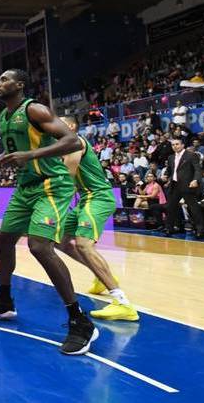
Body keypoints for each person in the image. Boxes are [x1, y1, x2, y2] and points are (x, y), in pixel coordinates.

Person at [0, 69, 98, 356]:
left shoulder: (35, 109)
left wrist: (32, 156)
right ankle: (4, 301)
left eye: (4, 79)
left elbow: (73, 141)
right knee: (4, 240)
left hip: (53, 184)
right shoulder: (4, 116)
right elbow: (14, 153)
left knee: (39, 246)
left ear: (20, 84)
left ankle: (79, 320)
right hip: (26, 186)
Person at [57, 117, 138, 321]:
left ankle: (122, 303)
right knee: (61, 241)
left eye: (59, 122)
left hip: (98, 197)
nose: (53, 125)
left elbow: (67, 176)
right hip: (85, 198)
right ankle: (100, 277)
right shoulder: (64, 147)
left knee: (84, 245)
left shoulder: (74, 141)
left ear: (72, 127)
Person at [164, 138, 204, 238]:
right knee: (170, 207)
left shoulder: (191, 155)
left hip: (188, 185)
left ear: (182, 145)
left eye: (177, 144)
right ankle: (169, 228)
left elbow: (197, 169)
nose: (175, 146)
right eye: (173, 144)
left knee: (193, 208)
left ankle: (200, 230)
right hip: (174, 185)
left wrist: (196, 180)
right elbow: (170, 170)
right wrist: (165, 175)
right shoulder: (170, 157)